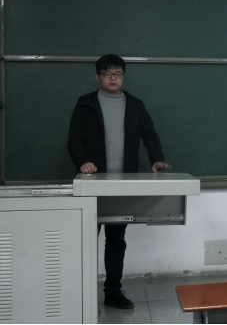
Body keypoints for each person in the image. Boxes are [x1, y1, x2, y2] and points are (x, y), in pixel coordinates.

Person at [68, 54, 171, 309]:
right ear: (98, 77)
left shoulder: (135, 105)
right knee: (85, 239)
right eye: (107, 74)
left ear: (123, 77)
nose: (113, 78)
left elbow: (150, 135)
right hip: (92, 184)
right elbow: (75, 139)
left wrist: (157, 159)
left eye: (117, 74)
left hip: (122, 185)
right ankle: (78, 293)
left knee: (116, 239)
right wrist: (83, 161)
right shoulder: (86, 104)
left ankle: (112, 291)